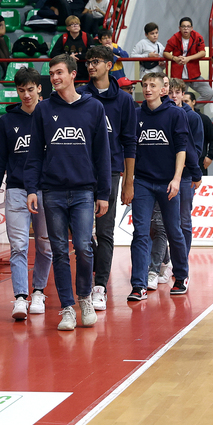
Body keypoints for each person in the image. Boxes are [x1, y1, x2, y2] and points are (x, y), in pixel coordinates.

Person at [23, 54, 111, 331]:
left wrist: (104, 193)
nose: (54, 78)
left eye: (59, 72)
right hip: (52, 191)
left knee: (84, 247)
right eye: (51, 74)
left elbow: (103, 154)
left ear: (73, 74)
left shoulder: (94, 107)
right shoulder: (43, 109)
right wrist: (31, 188)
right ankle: (67, 308)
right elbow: (35, 154)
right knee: (59, 251)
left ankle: (85, 297)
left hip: (84, 191)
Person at [0, 67, 53, 320]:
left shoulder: (50, 116)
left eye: (30, 89)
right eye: (21, 90)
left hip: (46, 189)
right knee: (18, 246)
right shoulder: (7, 121)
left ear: (39, 88)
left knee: (45, 245)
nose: (26, 95)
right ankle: (21, 297)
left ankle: (39, 291)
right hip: (16, 189)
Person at [125, 72, 199, 301]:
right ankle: (138, 285)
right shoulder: (136, 114)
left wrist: (176, 179)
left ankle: (181, 276)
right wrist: (128, 181)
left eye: (152, 85)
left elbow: (182, 148)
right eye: (145, 85)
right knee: (140, 232)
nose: (148, 89)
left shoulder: (176, 114)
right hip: (143, 182)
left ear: (162, 90)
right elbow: (130, 149)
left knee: (173, 230)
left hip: (168, 181)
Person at [79, 46, 136, 311]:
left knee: (105, 231)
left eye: (96, 61)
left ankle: (100, 286)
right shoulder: (80, 95)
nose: (91, 66)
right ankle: (86, 277)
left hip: (111, 172)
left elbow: (130, 143)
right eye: (88, 62)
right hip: (79, 172)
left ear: (109, 65)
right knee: (80, 233)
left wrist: (128, 181)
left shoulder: (124, 101)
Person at [168, 79, 203, 260]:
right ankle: (164, 260)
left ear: (183, 94)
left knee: (184, 220)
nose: (173, 96)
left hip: (186, 175)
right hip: (165, 174)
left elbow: (197, 149)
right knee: (163, 222)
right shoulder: (164, 114)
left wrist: (185, 164)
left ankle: (182, 259)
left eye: (177, 92)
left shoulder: (193, 118)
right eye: (170, 92)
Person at [163, 17, 212, 108]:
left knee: (209, 93)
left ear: (192, 28)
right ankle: (181, 111)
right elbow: (165, 52)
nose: (186, 29)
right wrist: (174, 58)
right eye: (183, 26)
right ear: (179, 28)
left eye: (188, 26)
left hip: (194, 74)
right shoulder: (174, 37)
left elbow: (203, 52)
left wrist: (188, 58)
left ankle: (190, 109)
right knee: (176, 97)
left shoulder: (197, 37)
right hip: (178, 76)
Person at [183, 92, 213, 176]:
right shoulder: (176, 117)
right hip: (180, 161)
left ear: (193, 102)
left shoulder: (204, 119)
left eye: (186, 101)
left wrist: (210, 157)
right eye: (182, 102)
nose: (184, 104)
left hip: (199, 161)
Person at [49, 15, 91, 79]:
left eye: (77, 24)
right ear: (68, 28)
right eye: (72, 24)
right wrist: (68, 57)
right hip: (67, 70)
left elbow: (91, 53)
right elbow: (53, 53)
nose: (75, 26)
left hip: (84, 70)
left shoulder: (87, 37)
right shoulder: (63, 38)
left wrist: (77, 57)